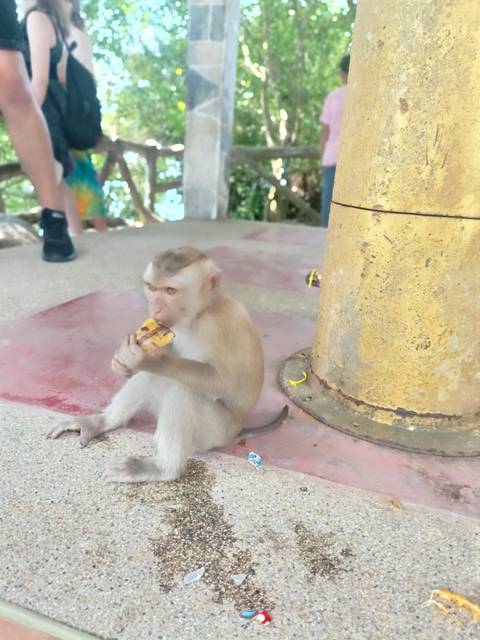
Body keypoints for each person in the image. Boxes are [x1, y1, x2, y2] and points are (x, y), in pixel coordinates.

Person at [0, 0, 75, 261]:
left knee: (11, 78)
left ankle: (54, 216)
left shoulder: (38, 18)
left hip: (46, 109)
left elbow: (43, 79)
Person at [63, 0, 108, 233]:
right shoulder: (77, 32)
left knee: (74, 173)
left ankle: (78, 231)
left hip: (71, 113)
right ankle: (84, 231)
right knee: (75, 173)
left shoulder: (70, 34)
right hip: (80, 113)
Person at [319, 53, 350, 227]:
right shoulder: (364, 96)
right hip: (355, 161)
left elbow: (325, 130)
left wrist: (322, 156)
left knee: (328, 208)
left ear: (342, 73)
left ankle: (324, 248)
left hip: (332, 158)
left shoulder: (333, 96)